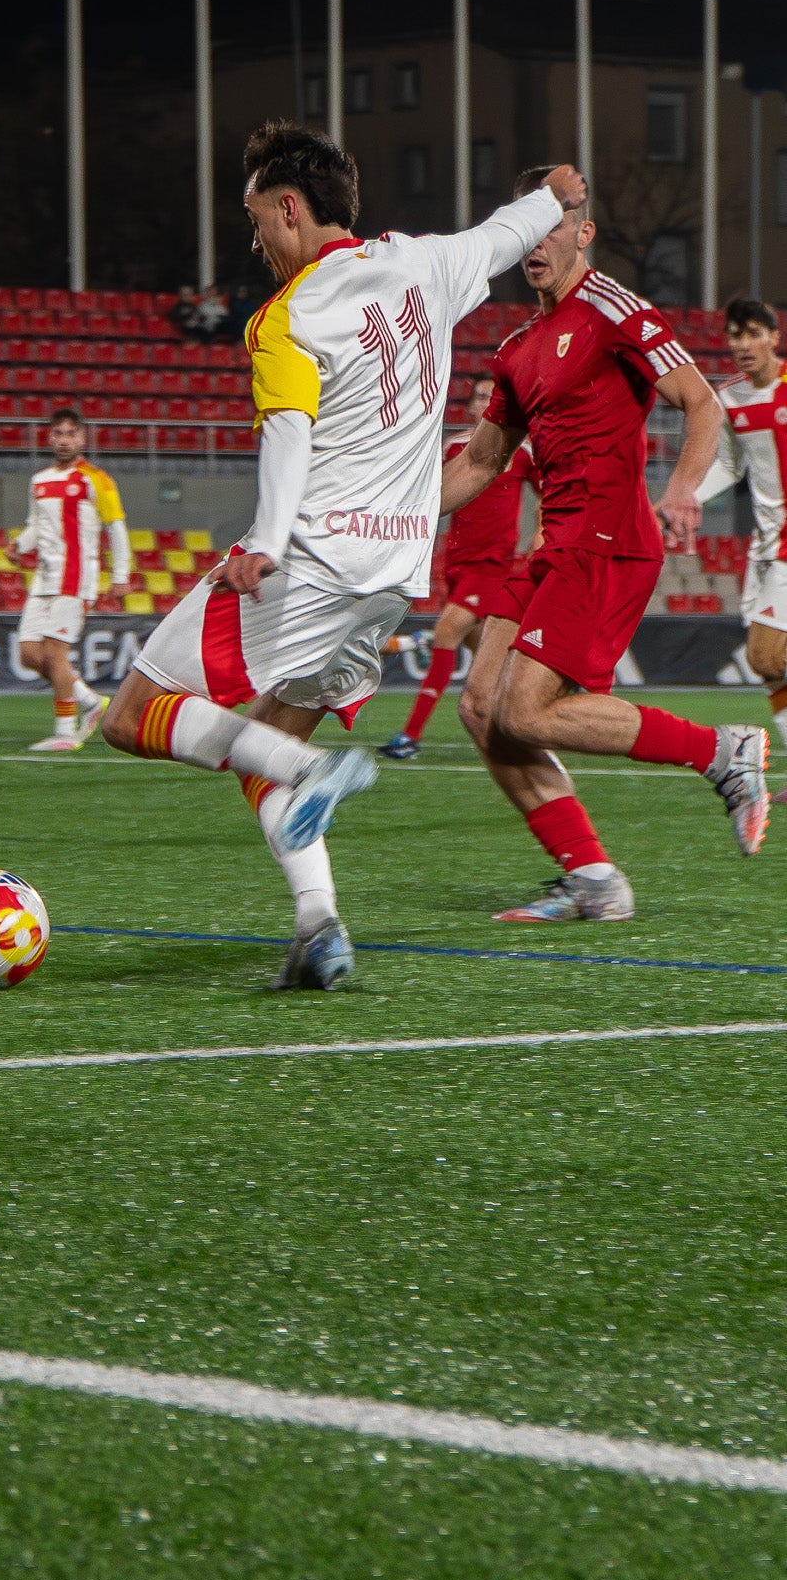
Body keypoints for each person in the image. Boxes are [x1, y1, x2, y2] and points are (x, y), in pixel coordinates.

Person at [100, 121, 582, 990]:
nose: (252, 240)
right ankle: (319, 925)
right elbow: (503, 235)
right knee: (261, 750)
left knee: (130, 716)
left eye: (255, 219)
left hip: (314, 561)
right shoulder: (425, 263)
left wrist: (264, 541)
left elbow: (288, 433)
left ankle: (311, 771)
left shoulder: (288, 316)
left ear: (290, 208)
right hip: (393, 577)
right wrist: (554, 194)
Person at [447, 170, 768, 926]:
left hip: (604, 540)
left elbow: (700, 402)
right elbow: (480, 461)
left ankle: (720, 750)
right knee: (481, 707)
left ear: (581, 232)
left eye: (553, 222)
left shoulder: (610, 308)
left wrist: (683, 488)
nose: (537, 240)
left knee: (525, 712)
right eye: (525, 226)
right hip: (548, 546)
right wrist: (382, 514)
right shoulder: (518, 344)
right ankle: (591, 877)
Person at [380, 375, 537, 759]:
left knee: (447, 630)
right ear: (468, 407)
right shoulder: (454, 449)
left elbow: (550, 494)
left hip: (492, 565)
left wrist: (542, 535)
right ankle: (549, 696)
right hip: (456, 564)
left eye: (493, 397)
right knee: (492, 660)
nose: (487, 402)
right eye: (481, 396)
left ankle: (410, 737)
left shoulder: (523, 451)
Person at [693, 297, 787, 803]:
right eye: (735, 335)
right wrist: (684, 496)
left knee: (764, 653)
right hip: (767, 546)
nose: (743, 344)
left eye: (753, 333)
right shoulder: (729, 398)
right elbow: (730, 467)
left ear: (774, 335)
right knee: (770, 666)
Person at [13, 407, 130, 751]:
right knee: (28, 654)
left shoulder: (96, 479)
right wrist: (18, 545)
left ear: (82, 438)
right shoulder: (39, 480)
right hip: (43, 578)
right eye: (58, 434)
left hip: (76, 577)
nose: (64, 441)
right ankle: (91, 701)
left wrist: (120, 574)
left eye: (71, 434)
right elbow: (37, 525)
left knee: (54, 653)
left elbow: (116, 527)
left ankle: (65, 731)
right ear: (49, 438)